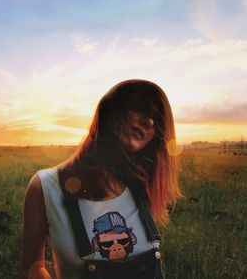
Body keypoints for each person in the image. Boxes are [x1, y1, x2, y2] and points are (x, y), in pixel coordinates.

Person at [21, 79, 182, 279]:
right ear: (109, 111)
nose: (149, 123)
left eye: (157, 120)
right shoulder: (45, 187)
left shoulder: (141, 185)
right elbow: (33, 265)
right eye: (139, 109)